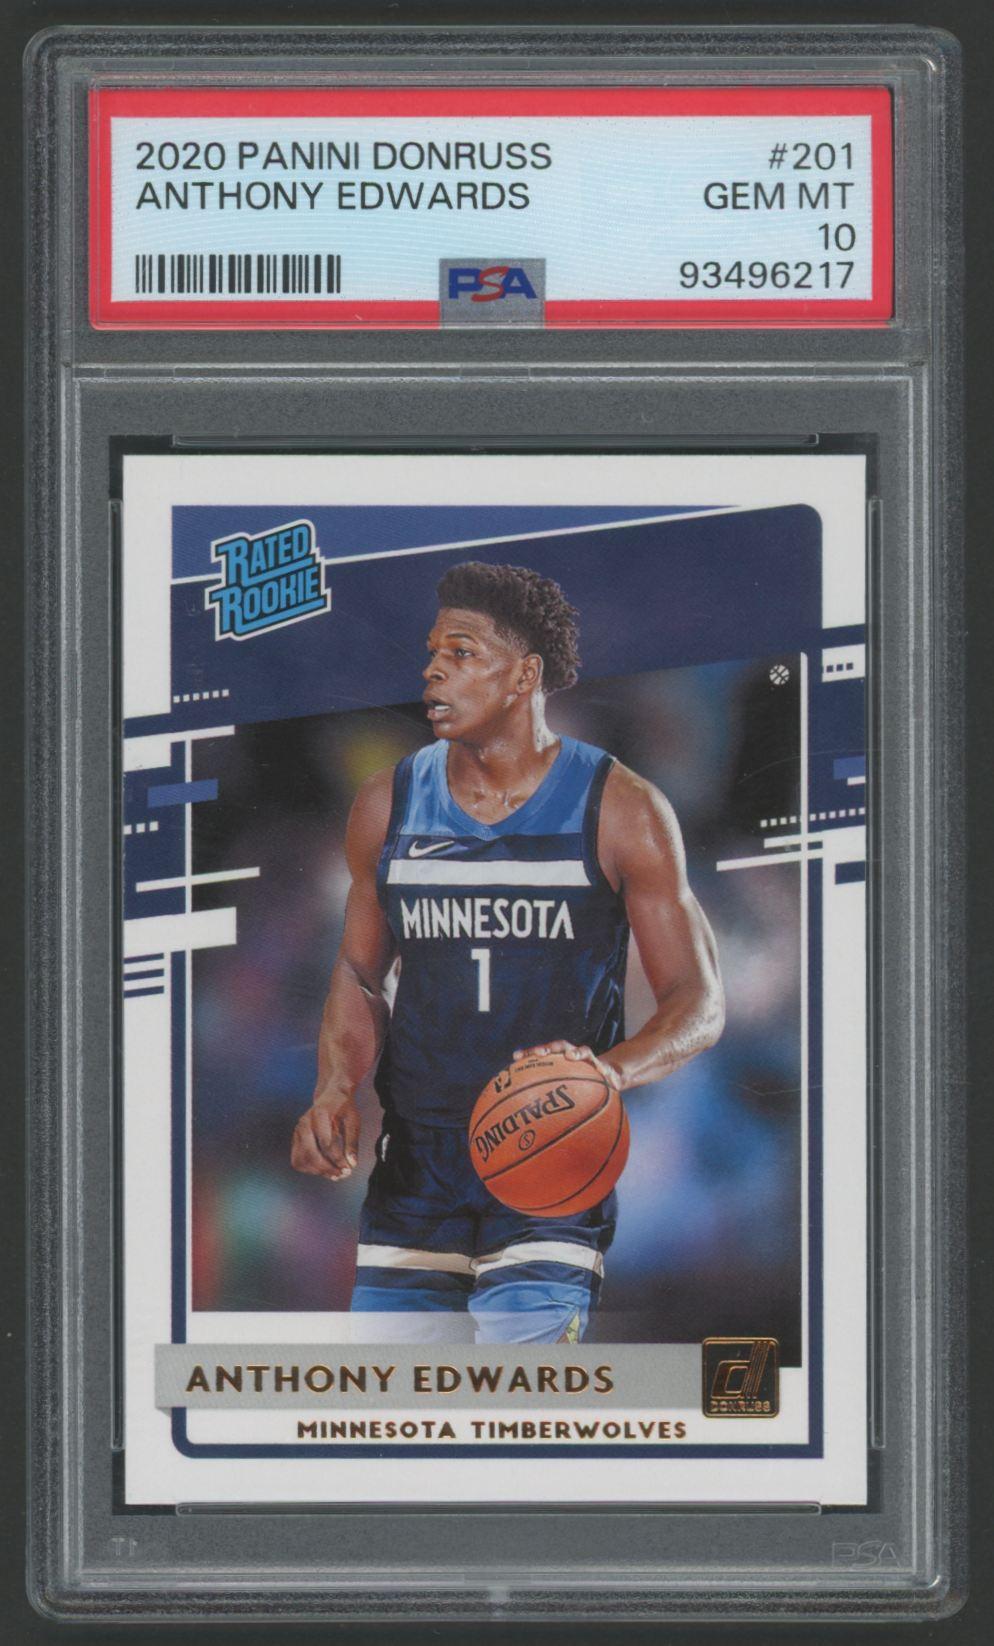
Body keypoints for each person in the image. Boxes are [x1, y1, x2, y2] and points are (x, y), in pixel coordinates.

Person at [291, 560, 724, 1342]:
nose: (433, 670)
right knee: (398, 1406)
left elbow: (700, 1000)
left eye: (460, 653)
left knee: (521, 1401)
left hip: (549, 1157)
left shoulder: (623, 808)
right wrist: (334, 1087)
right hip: (417, 1164)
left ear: (525, 675)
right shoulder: (387, 802)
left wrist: (608, 1073)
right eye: (432, 652)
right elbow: (358, 973)